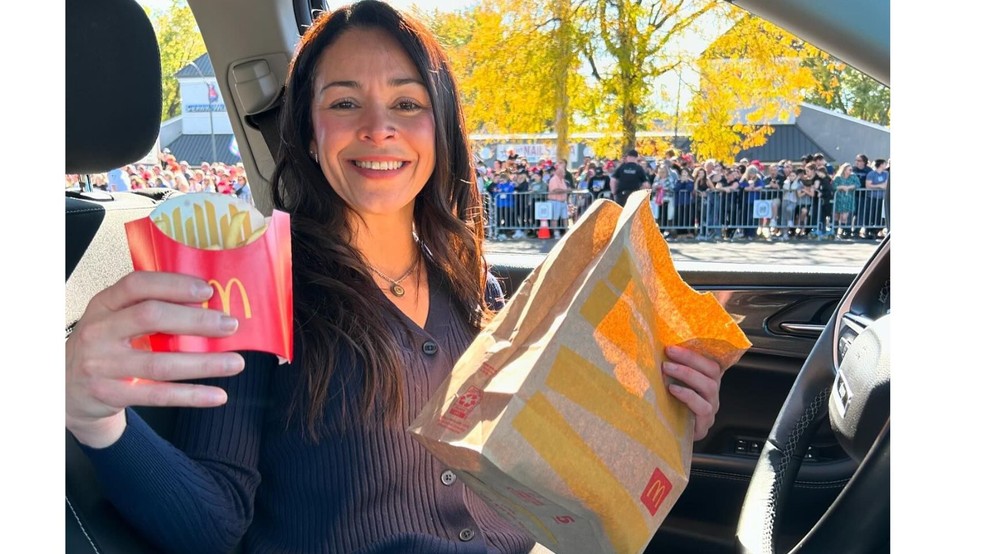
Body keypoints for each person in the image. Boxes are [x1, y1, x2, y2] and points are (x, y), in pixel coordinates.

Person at [65, 3, 728, 553]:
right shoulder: (252, 286)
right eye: (345, 102)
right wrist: (93, 418)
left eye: (407, 103)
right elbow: (213, 524)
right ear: (308, 129)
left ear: (440, 128)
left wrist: (654, 421)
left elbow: (542, 480)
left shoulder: (476, 287)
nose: (378, 128)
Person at [831, 162, 859, 238]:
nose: (851, 171)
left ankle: (844, 232)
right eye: (849, 169)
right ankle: (834, 232)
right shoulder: (838, 177)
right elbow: (834, 186)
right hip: (838, 199)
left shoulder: (853, 177)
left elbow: (858, 185)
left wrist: (849, 187)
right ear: (844, 170)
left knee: (844, 217)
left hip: (848, 199)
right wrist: (841, 187)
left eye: (851, 169)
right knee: (836, 216)